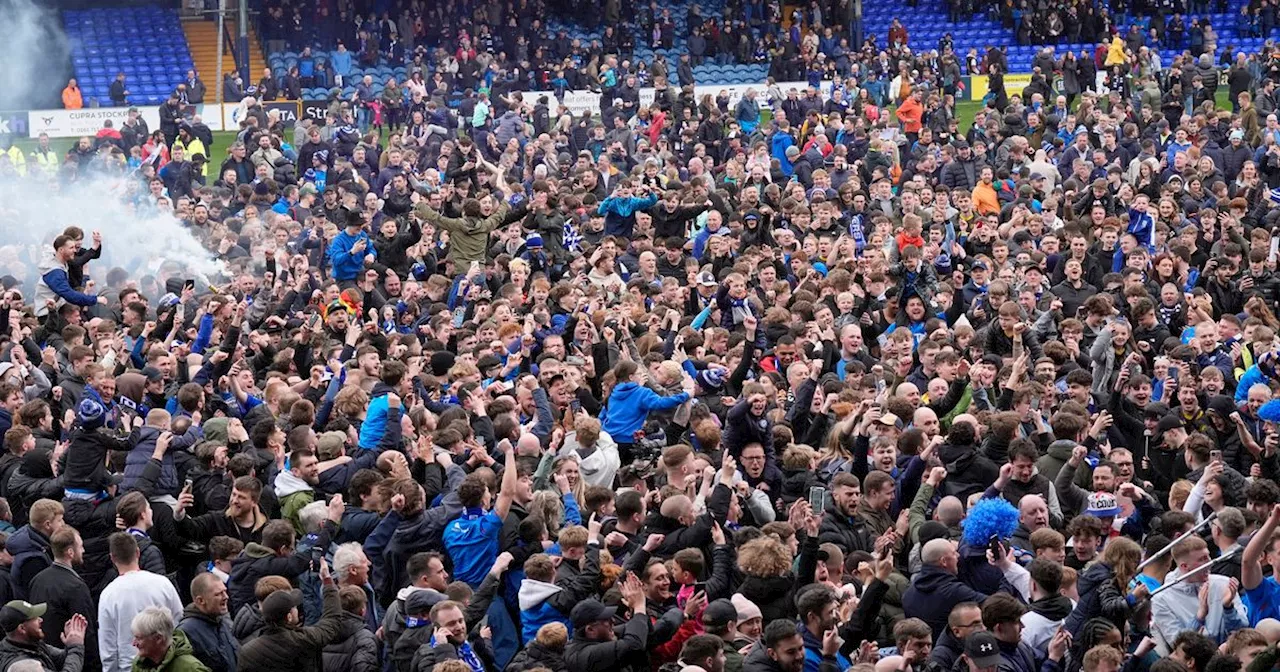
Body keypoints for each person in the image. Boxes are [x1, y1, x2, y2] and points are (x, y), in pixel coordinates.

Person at [236, 559, 347, 672]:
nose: (297, 608)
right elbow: (331, 621)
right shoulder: (302, 640)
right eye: (294, 607)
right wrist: (327, 581)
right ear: (288, 617)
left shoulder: (247, 650)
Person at [98, 533, 184, 672]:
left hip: (129, 666)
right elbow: (179, 619)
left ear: (112, 558)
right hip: (166, 662)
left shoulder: (108, 594)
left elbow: (108, 646)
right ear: (137, 552)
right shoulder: (163, 583)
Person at [0, 601, 87, 672]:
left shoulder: (28, 643)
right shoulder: (23, 666)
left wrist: (70, 645)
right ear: (22, 628)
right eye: (34, 618)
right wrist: (76, 646)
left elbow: (61, 658)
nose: (40, 620)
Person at [176, 573, 238, 672]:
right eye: (218, 594)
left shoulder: (223, 622)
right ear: (200, 600)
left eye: (225, 592)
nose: (226, 597)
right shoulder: (186, 632)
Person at [129, 606, 210, 672]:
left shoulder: (190, 668)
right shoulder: (139, 664)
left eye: (138, 638)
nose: (133, 643)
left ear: (158, 638)